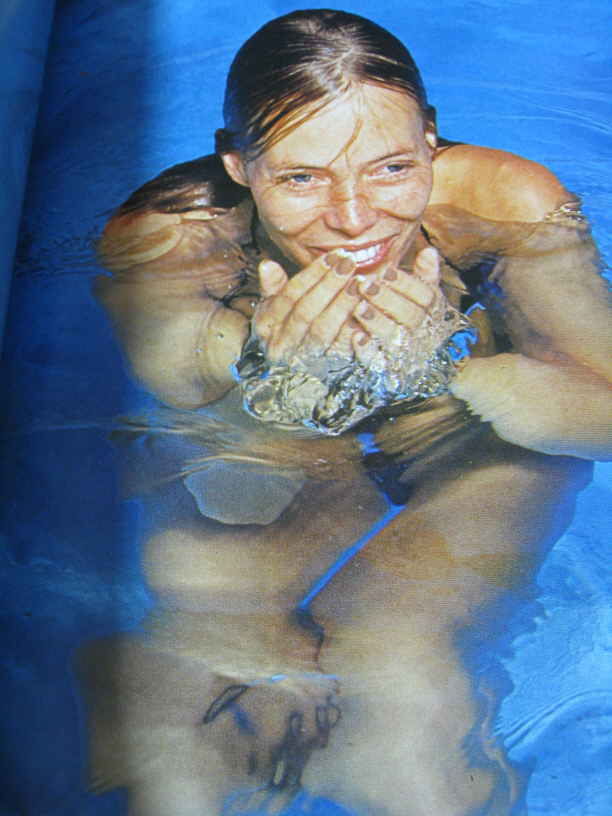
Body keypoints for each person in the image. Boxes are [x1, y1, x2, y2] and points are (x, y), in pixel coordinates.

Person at [81, 9, 612, 816]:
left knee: (392, 664)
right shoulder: (171, 237)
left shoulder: (508, 206)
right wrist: (264, 358)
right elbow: (184, 383)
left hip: (472, 445)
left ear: (431, 139)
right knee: (192, 643)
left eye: (393, 168)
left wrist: (460, 373)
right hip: (287, 442)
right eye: (301, 179)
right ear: (238, 165)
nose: (355, 219)